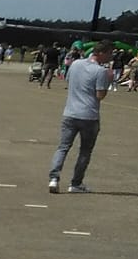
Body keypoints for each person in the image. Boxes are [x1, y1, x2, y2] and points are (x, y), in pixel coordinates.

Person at [47, 43, 113, 193]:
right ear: (101, 53)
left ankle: (54, 178)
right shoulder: (100, 71)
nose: (111, 57)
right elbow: (100, 95)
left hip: (70, 112)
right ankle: (76, 183)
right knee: (85, 151)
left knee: (63, 147)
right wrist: (109, 80)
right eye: (109, 53)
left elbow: (68, 80)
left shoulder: (76, 64)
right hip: (89, 115)